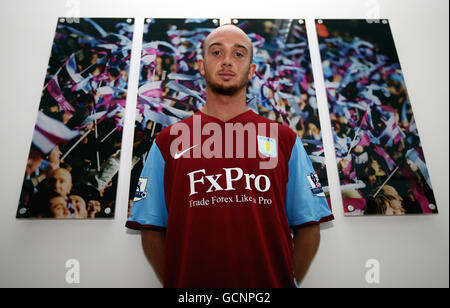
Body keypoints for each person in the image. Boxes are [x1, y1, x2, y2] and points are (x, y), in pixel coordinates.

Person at [126, 24, 334, 288]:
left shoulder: (284, 139)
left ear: (252, 69)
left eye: (238, 54)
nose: (226, 61)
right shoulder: (168, 141)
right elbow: (151, 227)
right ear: (201, 65)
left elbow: (308, 224)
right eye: (216, 52)